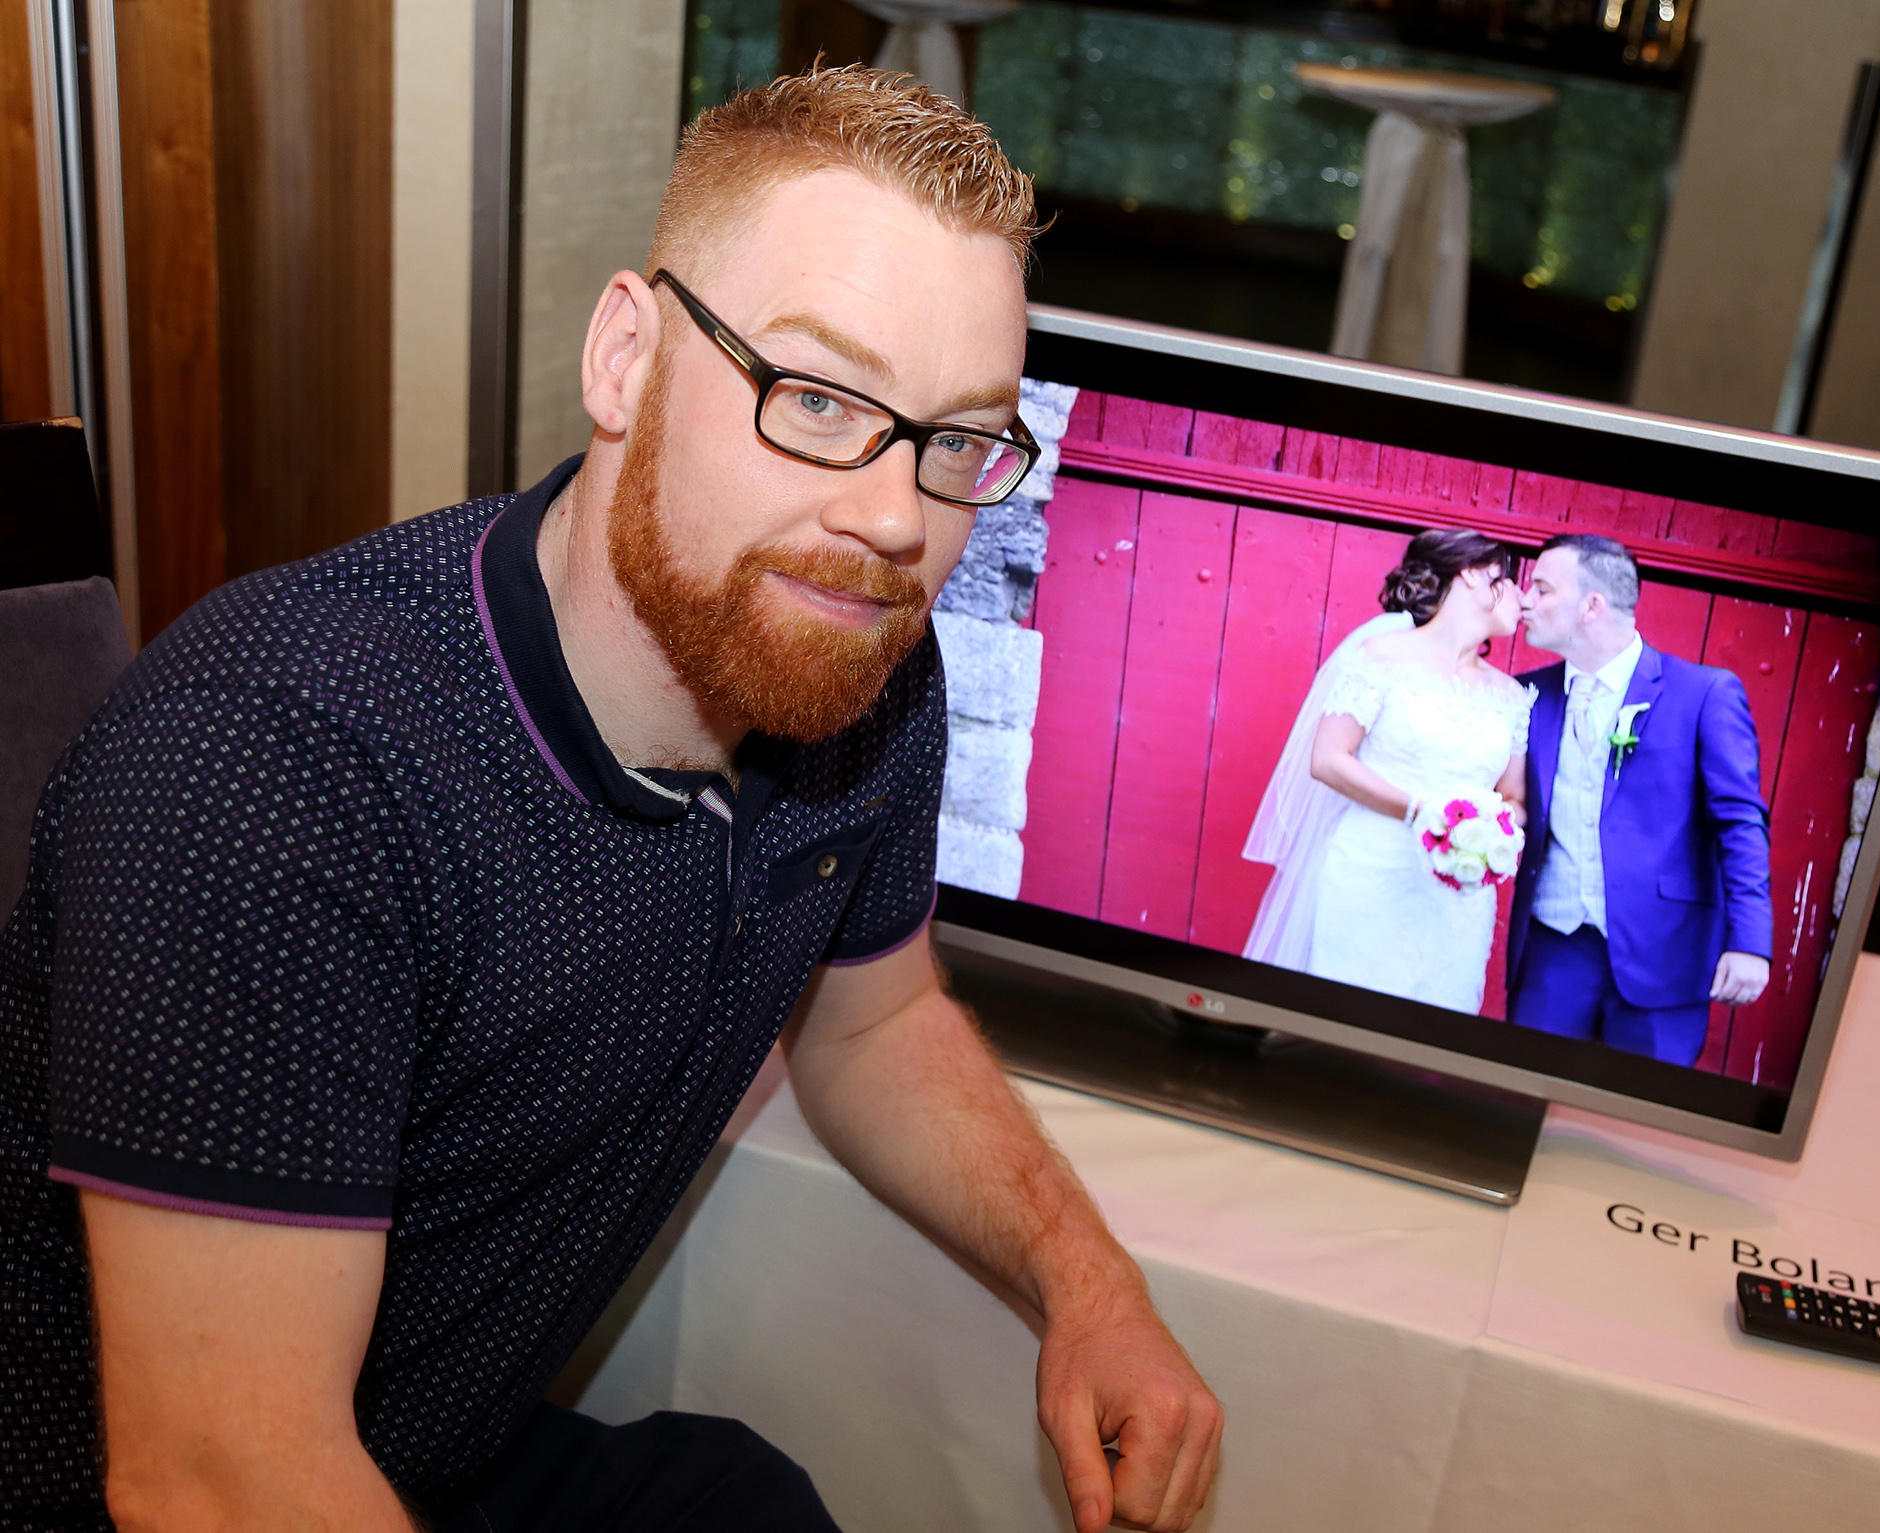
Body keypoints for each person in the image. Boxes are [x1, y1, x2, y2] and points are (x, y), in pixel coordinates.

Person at [0, 69, 1220, 1533]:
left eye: (955, 440)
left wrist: (1092, 1287)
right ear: (626, 359)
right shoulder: (276, 765)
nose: (896, 518)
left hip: (430, 1456)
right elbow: (216, 1480)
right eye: (815, 398)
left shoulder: (858, 666)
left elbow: (875, 1026)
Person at [1505, 533, 1773, 1065]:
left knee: (1640, 1108)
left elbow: (1740, 822)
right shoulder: (1526, 695)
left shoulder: (1703, 693)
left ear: (1592, 606)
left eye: (1542, 588)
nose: (1524, 601)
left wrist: (1750, 941)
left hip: (1667, 952)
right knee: (1523, 1092)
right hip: (1552, 948)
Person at [1242, 529, 1532, 1013]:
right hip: (1370, 872)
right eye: (1512, 580)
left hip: (1456, 896)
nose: (1523, 598)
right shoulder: (1380, 657)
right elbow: (1328, 759)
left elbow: (1515, 800)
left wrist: (1490, 829)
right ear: (1473, 575)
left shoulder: (1511, 697)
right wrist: (1423, 811)